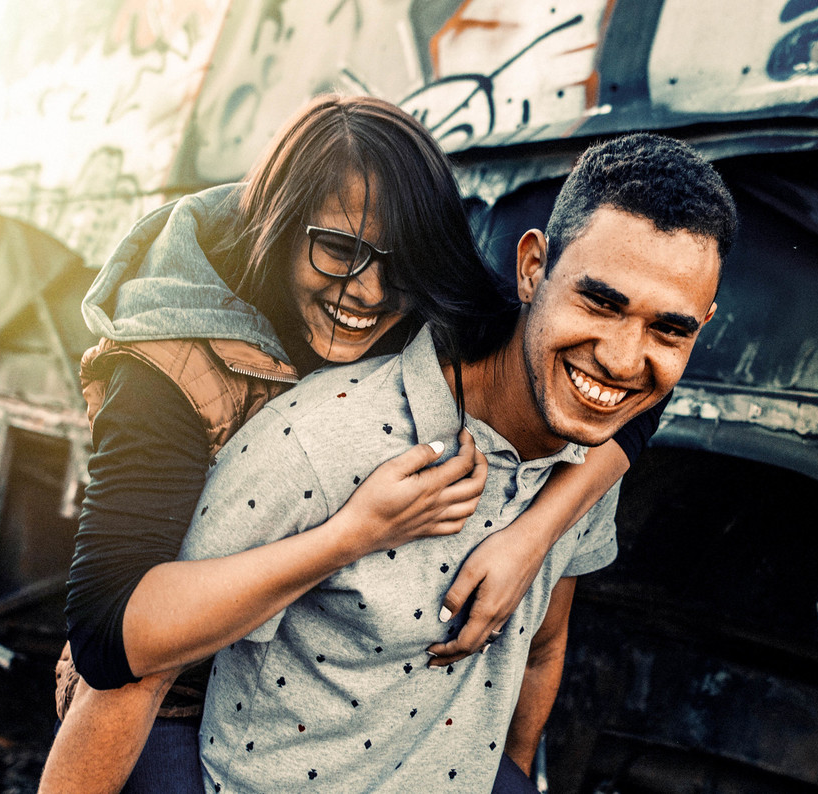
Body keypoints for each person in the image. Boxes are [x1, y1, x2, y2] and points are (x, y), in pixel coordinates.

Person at [39, 95, 669, 793]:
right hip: (178, 680)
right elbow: (108, 639)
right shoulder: (168, 360)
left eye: (400, 265)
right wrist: (354, 534)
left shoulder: (433, 292)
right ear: (278, 224)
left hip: (328, 689)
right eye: (339, 250)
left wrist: (534, 536)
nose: (368, 292)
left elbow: (618, 382)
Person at [176, 132, 737, 792]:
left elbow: (543, 646)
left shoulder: (589, 453)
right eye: (599, 302)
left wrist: (516, 777)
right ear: (532, 269)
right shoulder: (324, 435)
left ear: (703, 325)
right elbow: (145, 650)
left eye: (669, 329)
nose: (619, 358)